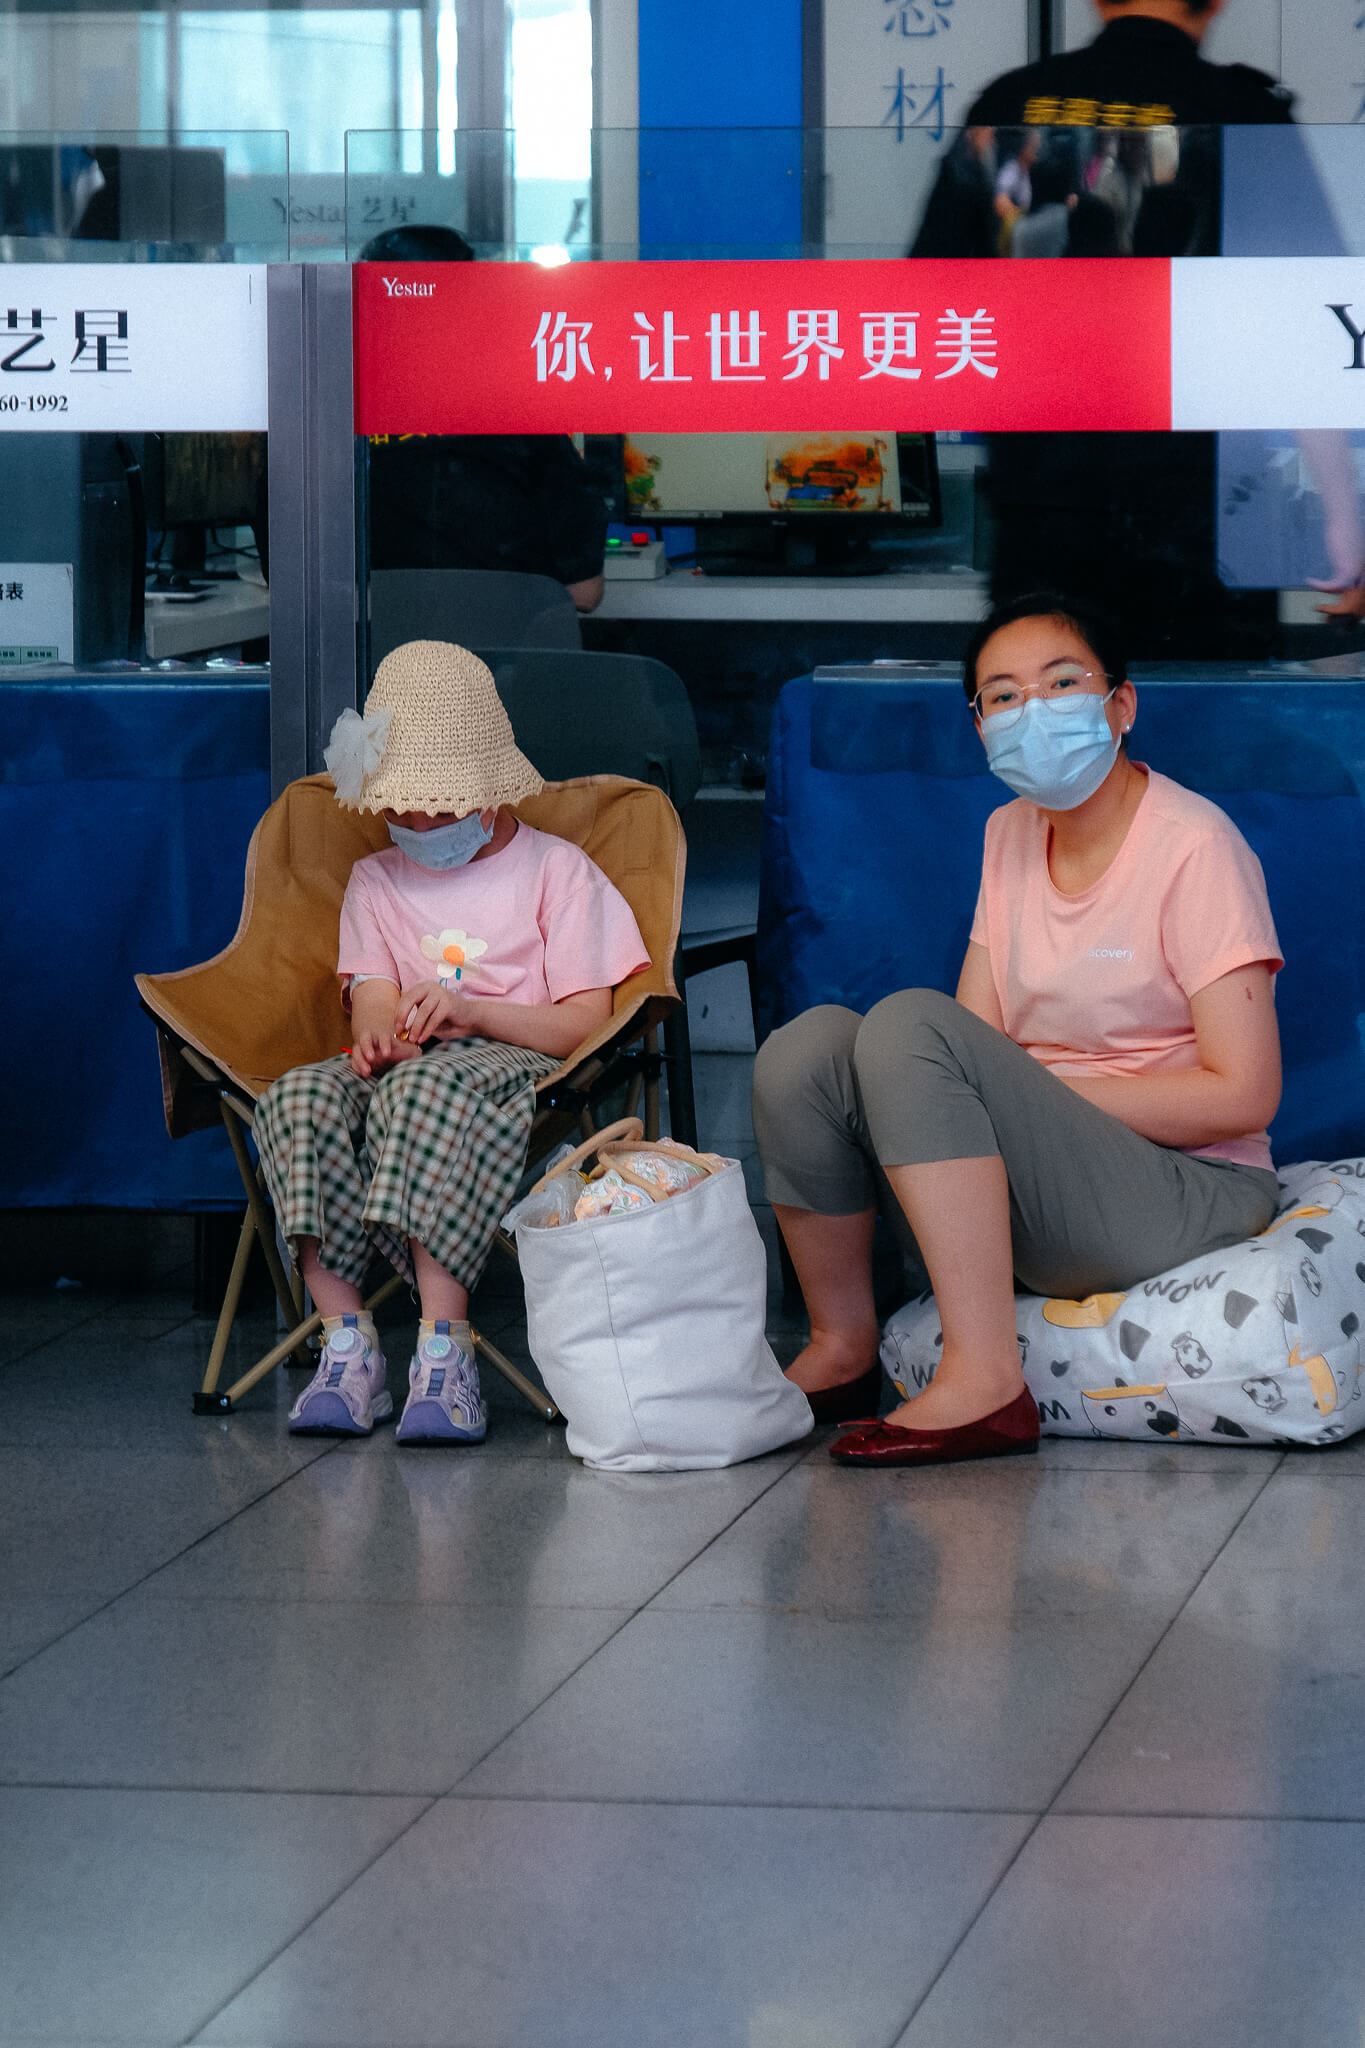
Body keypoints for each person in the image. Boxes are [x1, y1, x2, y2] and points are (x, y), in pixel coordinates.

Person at [751, 593, 1284, 1467]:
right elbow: (972, 1041)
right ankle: (842, 1350)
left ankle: (985, 1378)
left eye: (1062, 682)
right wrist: (1003, 1093)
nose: (1031, 711)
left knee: (910, 1024)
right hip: (1049, 1181)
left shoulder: (1195, 845)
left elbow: (1243, 1093)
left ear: (1121, 704)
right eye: (1002, 696)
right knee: (808, 1050)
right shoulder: (1008, 832)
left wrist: (1037, 1094)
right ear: (978, 727)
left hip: (1186, 1190)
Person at [254, 639, 649, 1444]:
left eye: (437, 805)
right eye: (399, 806)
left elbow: (583, 1021)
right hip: (412, 1061)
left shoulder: (555, 872)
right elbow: (371, 995)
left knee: (422, 1089)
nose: (417, 824)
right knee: (301, 1092)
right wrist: (375, 1040)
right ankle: (346, 1345)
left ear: (489, 792)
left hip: (520, 1055)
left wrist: (473, 1016)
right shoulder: (377, 882)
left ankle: (444, 1347)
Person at [908, 0, 1365, 648]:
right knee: (1202, 731)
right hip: (1203, 514)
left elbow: (928, 294)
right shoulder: (1240, 108)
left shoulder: (1011, 101)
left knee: (1055, 720)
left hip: (1043, 506)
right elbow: (1308, 316)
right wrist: (1343, 517)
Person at [360, 225, 608, 614]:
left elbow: (287, 578)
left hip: (374, 668)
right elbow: (584, 593)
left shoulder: (322, 416)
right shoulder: (518, 416)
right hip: (507, 667)